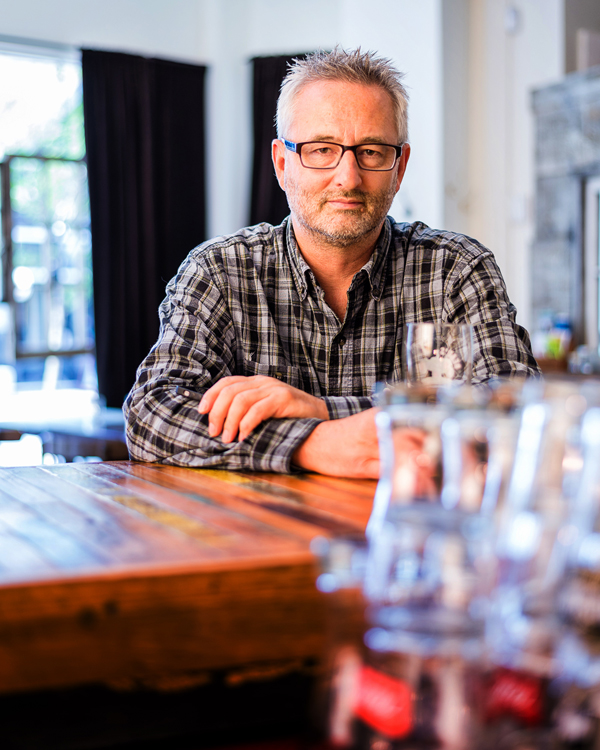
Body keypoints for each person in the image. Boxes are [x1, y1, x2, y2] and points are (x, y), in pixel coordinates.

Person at [123, 48, 539, 479]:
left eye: (373, 152)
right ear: (283, 164)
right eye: (321, 150)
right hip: (262, 536)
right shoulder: (220, 271)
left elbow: (518, 411)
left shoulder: (457, 270)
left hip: (418, 530)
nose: (348, 177)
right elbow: (152, 413)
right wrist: (312, 444)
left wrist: (321, 410)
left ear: (399, 169)